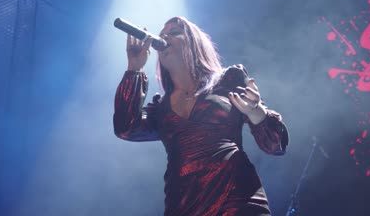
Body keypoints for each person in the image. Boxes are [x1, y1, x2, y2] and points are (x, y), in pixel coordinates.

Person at [113, 16, 289, 216]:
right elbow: (125, 128)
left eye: (174, 32)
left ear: (194, 41)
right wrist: (134, 68)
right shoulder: (160, 109)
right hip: (184, 205)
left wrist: (255, 111)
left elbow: (276, 145)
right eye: (162, 35)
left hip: (237, 199)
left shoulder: (228, 80)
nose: (164, 37)